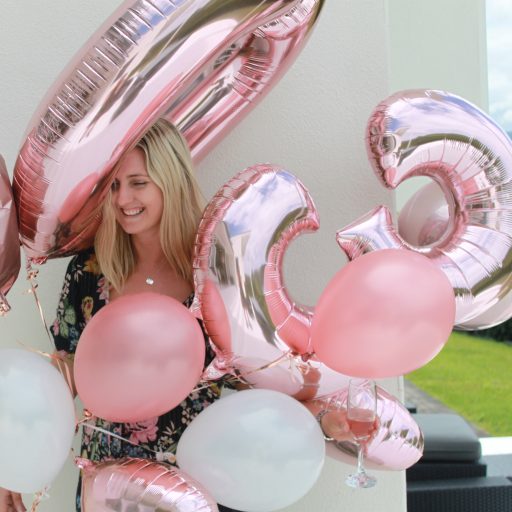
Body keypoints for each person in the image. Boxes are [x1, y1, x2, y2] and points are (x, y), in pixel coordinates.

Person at [0, 120, 234, 512]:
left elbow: (253, 374)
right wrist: (14, 465)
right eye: (114, 185)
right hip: (105, 488)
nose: (123, 198)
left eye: (138, 183)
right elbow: (63, 378)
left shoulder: (214, 275)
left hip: (194, 487)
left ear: (171, 181)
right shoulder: (89, 272)